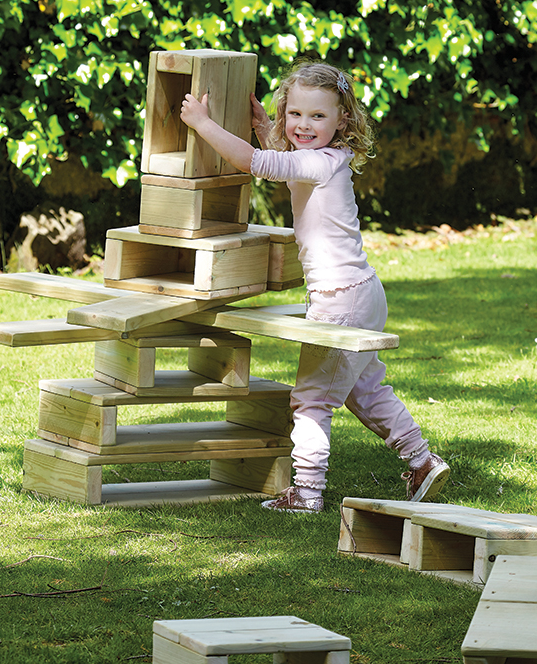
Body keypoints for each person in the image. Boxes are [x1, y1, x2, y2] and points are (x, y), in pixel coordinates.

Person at [179, 60, 449, 513]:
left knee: (309, 401)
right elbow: (284, 160)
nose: (303, 125)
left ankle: (305, 491)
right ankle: (421, 461)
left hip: (339, 301)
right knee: (366, 390)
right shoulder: (326, 159)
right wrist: (266, 125)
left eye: (317, 116)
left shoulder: (319, 162)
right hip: (363, 292)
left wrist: (203, 123)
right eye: (295, 114)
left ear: (342, 120)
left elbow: (254, 162)